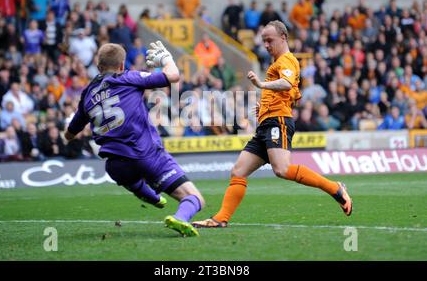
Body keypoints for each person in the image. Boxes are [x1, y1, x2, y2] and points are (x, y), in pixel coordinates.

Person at [193, 21, 352, 229]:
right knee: (238, 171)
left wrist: (261, 85)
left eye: (270, 40)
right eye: (264, 41)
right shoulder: (277, 62)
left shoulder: (287, 60)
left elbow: (286, 84)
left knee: (282, 169)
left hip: (279, 122)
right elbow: (289, 93)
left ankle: (335, 189)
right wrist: (265, 106)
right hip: (266, 123)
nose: (266, 45)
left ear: (283, 37)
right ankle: (220, 218)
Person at [64, 42, 205, 237]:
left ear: (98, 67)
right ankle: (180, 218)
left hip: (115, 166)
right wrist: (166, 59)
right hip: (144, 154)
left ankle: (149, 196)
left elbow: (70, 133)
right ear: (122, 65)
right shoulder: (128, 77)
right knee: (194, 197)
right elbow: (173, 76)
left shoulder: (87, 94)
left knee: (130, 174)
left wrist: (69, 133)